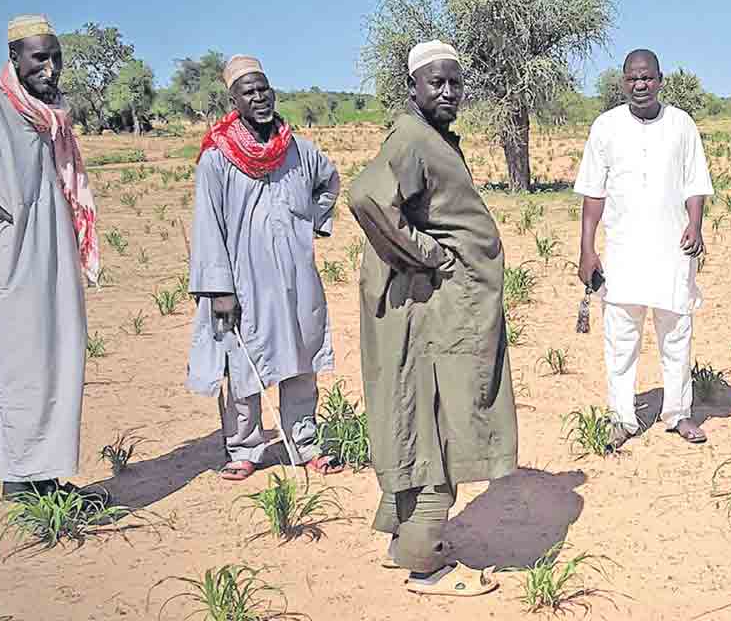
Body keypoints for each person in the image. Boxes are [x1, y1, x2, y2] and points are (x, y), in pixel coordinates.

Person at [348, 40, 517, 597]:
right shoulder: (411, 138)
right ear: (412, 87)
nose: (448, 92)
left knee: (423, 411)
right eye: (435, 83)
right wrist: (432, 255)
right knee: (440, 420)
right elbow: (367, 199)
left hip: (443, 304)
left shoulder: (431, 137)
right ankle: (426, 560)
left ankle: (405, 539)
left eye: (455, 82)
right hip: (433, 307)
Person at [186, 55, 343, 481]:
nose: (259, 97)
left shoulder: (299, 150)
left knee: (302, 357)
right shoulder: (217, 159)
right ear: (233, 101)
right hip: (243, 281)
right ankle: (244, 447)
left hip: (297, 275)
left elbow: (329, 182)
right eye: (248, 92)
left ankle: (305, 443)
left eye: (264, 89)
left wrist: (312, 222)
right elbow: (208, 225)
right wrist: (219, 289)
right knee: (243, 363)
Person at [0, 15, 102, 500]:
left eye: (56, 58)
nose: (50, 68)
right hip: (20, 261)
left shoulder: (54, 116)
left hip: (61, 258)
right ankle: (21, 485)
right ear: (14, 58)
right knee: (21, 369)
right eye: (39, 58)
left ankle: (45, 479)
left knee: (59, 364)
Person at [574, 49, 714, 450]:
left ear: (660, 80)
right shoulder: (606, 126)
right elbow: (593, 194)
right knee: (621, 339)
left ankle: (678, 413)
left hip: (673, 252)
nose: (640, 85)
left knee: (676, 335)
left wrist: (695, 225)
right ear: (623, 82)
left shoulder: (681, 124)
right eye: (633, 78)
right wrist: (587, 249)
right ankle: (622, 416)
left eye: (647, 78)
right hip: (623, 253)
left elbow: (695, 183)